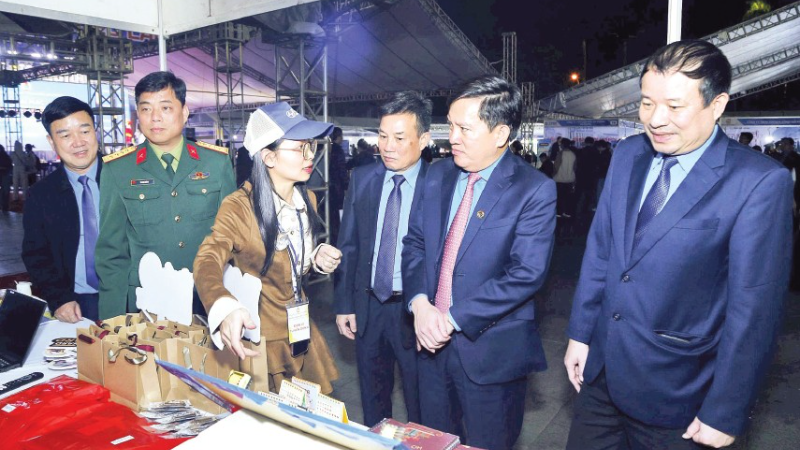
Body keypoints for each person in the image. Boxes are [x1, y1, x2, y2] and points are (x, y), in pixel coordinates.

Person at [564, 40, 793, 449]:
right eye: (647, 103)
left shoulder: (757, 182)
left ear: (717, 104)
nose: (656, 119)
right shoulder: (628, 155)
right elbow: (601, 252)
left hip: (680, 395)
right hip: (600, 378)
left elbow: (754, 308)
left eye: (674, 106)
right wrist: (580, 334)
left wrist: (726, 409)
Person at [402, 76, 556, 450]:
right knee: (432, 441)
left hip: (490, 356)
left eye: (464, 128)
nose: (451, 137)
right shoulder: (437, 175)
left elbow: (525, 274)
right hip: (430, 349)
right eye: (450, 125)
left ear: (501, 133)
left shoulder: (532, 189)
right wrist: (420, 303)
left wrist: (451, 319)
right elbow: (415, 244)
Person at [194, 102, 341, 393]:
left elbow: (287, 260)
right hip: (261, 339)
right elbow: (207, 258)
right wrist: (223, 306)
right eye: (299, 148)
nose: (310, 155)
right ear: (269, 157)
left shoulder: (306, 199)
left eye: (310, 145)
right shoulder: (238, 207)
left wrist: (315, 256)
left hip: (301, 330)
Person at [96, 71, 236, 319]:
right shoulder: (118, 169)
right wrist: (112, 319)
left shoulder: (216, 163)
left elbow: (233, 236)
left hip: (205, 296)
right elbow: (111, 252)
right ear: (137, 115)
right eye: (146, 109)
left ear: (184, 112)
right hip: (146, 303)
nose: (155, 118)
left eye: (165, 108)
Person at [334, 91, 431, 426]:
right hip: (370, 305)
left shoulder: (441, 184)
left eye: (400, 138)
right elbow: (349, 245)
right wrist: (345, 303)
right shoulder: (363, 179)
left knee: (422, 402)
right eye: (383, 136)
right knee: (373, 399)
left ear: (424, 139)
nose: (388, 146)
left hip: (415, 310)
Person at [21, 96, 103, 321]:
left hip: (129, 298)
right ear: (51, 141)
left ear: (95, 132)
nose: (78, 142)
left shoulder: (126, 179)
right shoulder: (41, 195)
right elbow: (36, 254)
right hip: (75, 303)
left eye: (84, 131)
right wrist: (59, 298)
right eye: (65, 135)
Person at [327, 127, 349, 244]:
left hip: (327, 186)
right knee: (336, 217)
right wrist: (346, 186)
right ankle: (336, 240)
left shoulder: (325, 148)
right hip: (337, 187)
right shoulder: (338, 150)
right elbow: (342, 170)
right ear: (339, 137)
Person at [0, 144, 11, 212]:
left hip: (3, 175)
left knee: (3, 191)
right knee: (5, 191)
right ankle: (4, 206)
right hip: (5, 175)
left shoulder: (4, 157)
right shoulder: (6, 157)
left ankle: (3, 205)